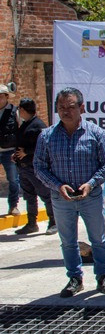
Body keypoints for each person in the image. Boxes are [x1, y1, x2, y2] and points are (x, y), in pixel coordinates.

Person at [33, 87, 105, 297]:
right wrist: (57, 185)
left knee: (98, 239)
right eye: (61, 107)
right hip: (61, 198)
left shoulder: (95, 133)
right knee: (68, 241)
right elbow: (39, 167)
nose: (65, 111)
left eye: (70, 107)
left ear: (81, 107)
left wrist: (91, 183)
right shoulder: (46, 136)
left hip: (91, 196)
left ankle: (103, 277)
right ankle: (74, 278)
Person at [13, 98, 56, 235]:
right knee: (29, 196)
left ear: (24, 110)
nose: (19, 112)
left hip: (34, 167)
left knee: (45, 195)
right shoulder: (25, 124)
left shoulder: (38, 126)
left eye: (20, 109)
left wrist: (27, 152)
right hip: (23, 167)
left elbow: (45, 146)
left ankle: (53, 222)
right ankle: (32, 223)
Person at [0, 84, 20, 216]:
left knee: (13, 179)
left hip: (9, 151)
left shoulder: (15, 112)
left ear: (7, 97)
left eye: (0, 97)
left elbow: (21, 130)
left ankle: (13, 205)